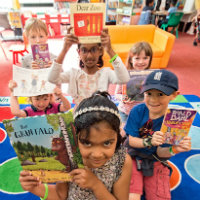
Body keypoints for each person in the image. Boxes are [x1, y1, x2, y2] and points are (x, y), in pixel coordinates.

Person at [19, 91, 133, 200]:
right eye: (87, 143)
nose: (97, 154)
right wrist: (35, 187)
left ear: (117, 136)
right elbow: (60, 195)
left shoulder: (122, 161)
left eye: (107, 143)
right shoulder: (67, 154)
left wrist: (96, 185)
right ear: (74, 136)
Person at [124, 69, 192, 200]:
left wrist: (175, 149)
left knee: (159, 196)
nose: (153, 100)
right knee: (132, 195)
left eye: (160, 94)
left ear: (174, 95)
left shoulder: (174, 120)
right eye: (149, 93)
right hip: (133, 156)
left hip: (156, 160)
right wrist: (148, 142)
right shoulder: (137, 110)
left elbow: (161, 153)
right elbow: (131, 141)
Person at [48, 27, 130, 108]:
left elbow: (124, 78)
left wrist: (109, 50)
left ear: (100, 51)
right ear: (79, 52)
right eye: (84, 50)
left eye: (94, 50)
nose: (89, 56)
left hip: (99, 117)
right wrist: (65, 49)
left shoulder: (105, 73)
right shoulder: (74, 74)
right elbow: (52, 78)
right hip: (80, 117)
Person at [115, 41, 153, 137]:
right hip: (125, 111)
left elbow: (154, 95)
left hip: (142, 112)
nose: (141, 62)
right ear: (131, 60)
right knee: (123, 133)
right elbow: (116, 94)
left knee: (140, 133)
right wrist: (122, 98)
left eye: (145, 58)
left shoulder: (151, 76)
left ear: (150, 59)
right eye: (137, 58)